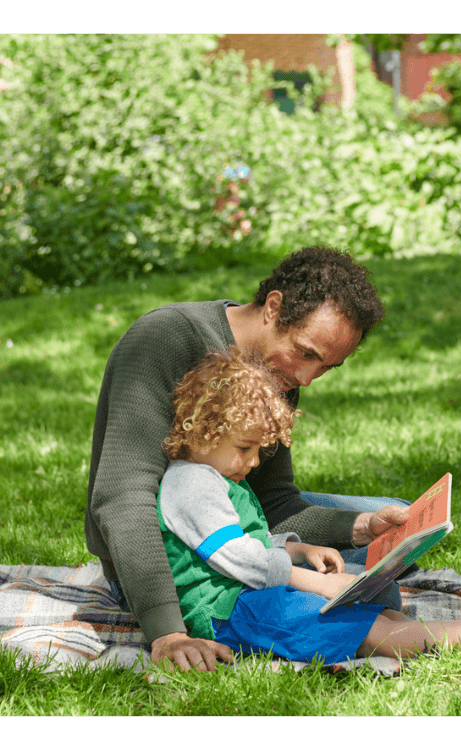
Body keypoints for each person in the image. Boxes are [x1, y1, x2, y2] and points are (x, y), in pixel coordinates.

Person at [86, 247, 417, 672]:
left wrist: (363, 527)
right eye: (306, 353)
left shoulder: (276, 371)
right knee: (374, 588)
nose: (305, 378)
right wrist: (168, 631)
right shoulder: (166, 338)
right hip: (177, 563)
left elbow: (274, 503)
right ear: (273, 308)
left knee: (397, 523)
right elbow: (123, 497)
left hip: (234, 524)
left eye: (326, 367)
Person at [157, 346, 461, 669]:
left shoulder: (219, 476)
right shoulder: (192, 484)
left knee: (375, 614)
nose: (253, 463)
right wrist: (316, 583)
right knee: (359, 627)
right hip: (227, 612)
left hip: (249, 598)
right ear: (204, 430)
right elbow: (240, 558)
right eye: (245, 448)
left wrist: (300, 549)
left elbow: (254, 541)